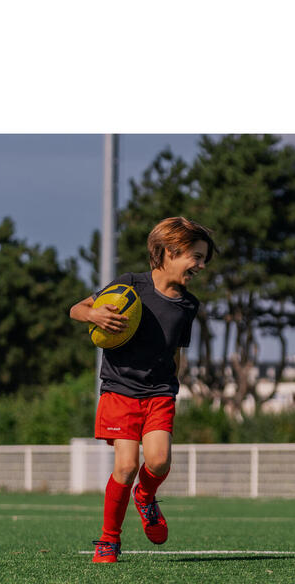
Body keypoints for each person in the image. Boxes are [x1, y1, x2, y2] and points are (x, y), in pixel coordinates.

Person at [70, 217, 216, 563]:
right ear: (168, 252)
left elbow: (176, 353)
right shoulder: (128, 286)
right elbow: (76, 309)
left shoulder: (188, 305)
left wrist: (172, 387)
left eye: (204, 258)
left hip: (160, 393)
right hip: (120, 390)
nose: (201, 265)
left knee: (160, 461)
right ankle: (108, 540)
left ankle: (146, 496)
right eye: (195, 256)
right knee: (125, 466)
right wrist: (95, 316)